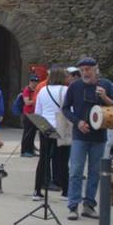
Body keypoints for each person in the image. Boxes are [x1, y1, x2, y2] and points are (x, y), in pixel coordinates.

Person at [61, 57, 113, 220]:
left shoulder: (106, 85)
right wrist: (77, 122)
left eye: (88, 69)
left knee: (94, 172)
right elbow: (65, 108)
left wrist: (105, 97)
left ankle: (89, 205)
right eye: (82, 70)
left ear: (95, 69)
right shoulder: (75, 86)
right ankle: (73, 206)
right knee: (76, 171)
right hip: (80, 135)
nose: (85, 72)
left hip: (99, 136)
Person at [32, 66, 70, 201]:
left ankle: (37, 190)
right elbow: (70, 109)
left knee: (43, 158)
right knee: (62, 159)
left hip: (45, 126)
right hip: (60, 126)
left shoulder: (43, 90)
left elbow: (37, 111)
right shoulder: (66, 90)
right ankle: (65, 191)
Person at [19, 74, 40, 157]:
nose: (34, 83)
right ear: (30, 81)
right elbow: (27, 102)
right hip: (28, 114)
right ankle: (24, 151)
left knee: (32, 133)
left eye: (36, 81)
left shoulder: (36, 90)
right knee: (27, 133)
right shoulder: (27, 90)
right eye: (32, 81)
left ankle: (31, 150)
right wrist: (36, 100)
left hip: (34, 114)